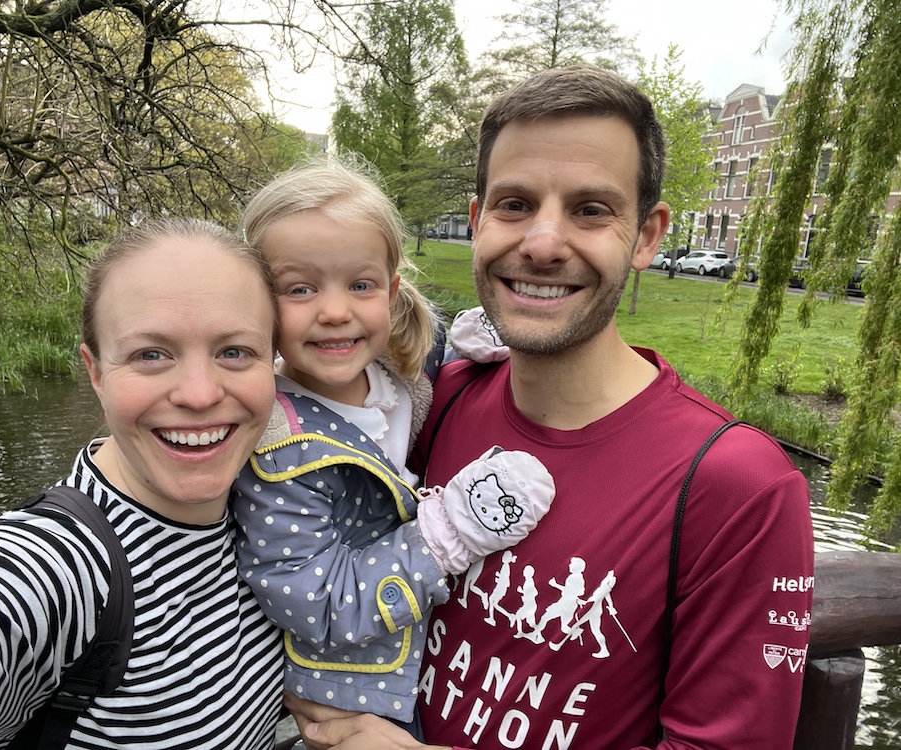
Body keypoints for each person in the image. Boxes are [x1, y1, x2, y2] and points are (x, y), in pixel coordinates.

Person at [285, 65, 814, 750]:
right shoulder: (441, 399)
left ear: (646, 236)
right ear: (476, 222)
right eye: (514, 204)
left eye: (591, 210)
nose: (540, 243)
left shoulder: (738, 485)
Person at [0, 218, 286, 748]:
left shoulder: (278, 517)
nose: (199, 394)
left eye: (235, 352)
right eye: (150, 354)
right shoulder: (56, 572)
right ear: (97, 372)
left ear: (273, 364)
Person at [232, 159, 554, 732]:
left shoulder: (393, 380)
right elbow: (316, 603)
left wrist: (478, 353)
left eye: (361, 285)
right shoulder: (276, 447)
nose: (336, 312)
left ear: (391, 291)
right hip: (357, 697)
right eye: (300, 289)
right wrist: (446, 534)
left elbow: (414, 388)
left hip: (425, 663)